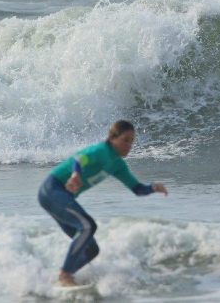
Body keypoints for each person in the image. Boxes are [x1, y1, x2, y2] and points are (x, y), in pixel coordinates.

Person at [38, 120, 168, 287]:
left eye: (131, 141)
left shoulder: (117, 165)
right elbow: (78, 159)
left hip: (60, 198)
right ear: (112, 137)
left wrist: (153, 187)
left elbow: (136, 189)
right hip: (52, 190)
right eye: (125, 140)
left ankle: (60, 278)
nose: (129, 145)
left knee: (91, 249)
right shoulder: (100, 151)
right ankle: (65, 275)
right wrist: (75, 175)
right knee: (87, 227)